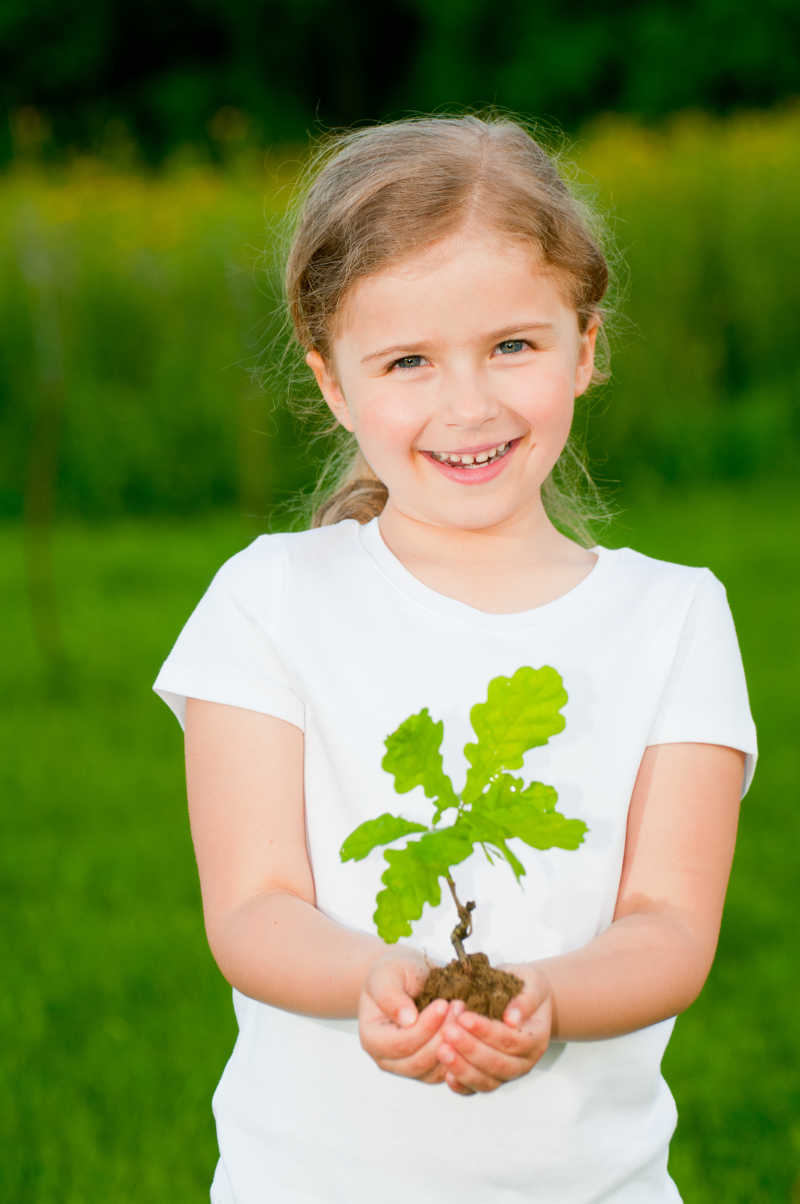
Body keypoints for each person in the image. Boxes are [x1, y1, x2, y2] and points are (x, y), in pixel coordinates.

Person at [153, 114, 757, 1204]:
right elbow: (253, 905)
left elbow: (668, 926)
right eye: (408, 362)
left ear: (587, 345)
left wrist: (546, 999)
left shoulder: (674, 618)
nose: (468, 405)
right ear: (333, 383)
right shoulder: (269, 600)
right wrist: (372, 978)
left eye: (513, 346)